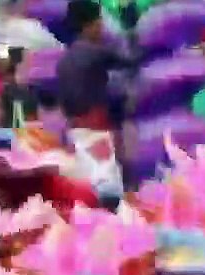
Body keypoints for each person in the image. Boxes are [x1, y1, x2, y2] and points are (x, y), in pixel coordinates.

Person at [56, 0, 134, 200]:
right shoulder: (93, 52)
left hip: (73, 127)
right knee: (106, 183)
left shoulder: (64, 59)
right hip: (96, 126)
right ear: (89, 25)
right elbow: (129, 60)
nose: (102, 28)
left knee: (85, 180)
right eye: (99, 23)